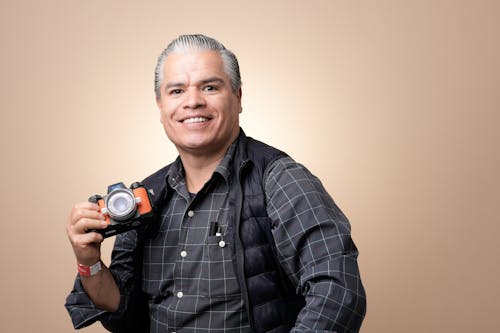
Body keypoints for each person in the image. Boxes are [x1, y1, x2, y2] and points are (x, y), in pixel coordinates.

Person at [65, 34, 366, 333]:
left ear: (238, 97)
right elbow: (121, 312)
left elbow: (338, 292)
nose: (193, 101)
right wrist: (88, 260)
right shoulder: (147, 196)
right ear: (160, 106)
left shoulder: (279, 179)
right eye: (177, 91)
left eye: (209, 87)